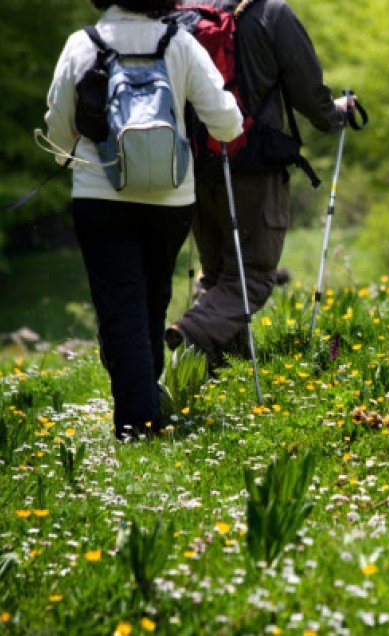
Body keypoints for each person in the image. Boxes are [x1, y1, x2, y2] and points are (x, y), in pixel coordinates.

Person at [44, 0, 243, 440]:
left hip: (101, 195)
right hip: (171, 198)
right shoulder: (180, 43)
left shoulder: (82, 45)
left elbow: (59, 134)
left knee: (121, 304)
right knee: (151, 299)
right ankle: (145, 402)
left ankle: (140, 422)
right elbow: (227, 122)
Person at [166, 0, 351, 368]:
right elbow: (307, 87)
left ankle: (226, 368)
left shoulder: (183, 12)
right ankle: (190, 330)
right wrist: (335, 115)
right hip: (253, 164)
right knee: (253, 278)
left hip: (197, 166)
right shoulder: (271, 14)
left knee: (220, 274)